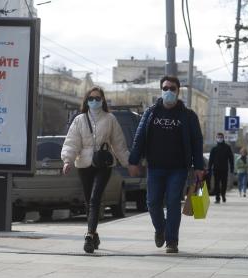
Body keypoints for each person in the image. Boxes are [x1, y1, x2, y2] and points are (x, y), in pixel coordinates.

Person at [128, 76, 204, 254]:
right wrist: (133, 161)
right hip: (155, 167)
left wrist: (199, 166)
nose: (168, 91)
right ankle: (160, 229)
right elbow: (139, 138)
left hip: (178, 169)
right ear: (161, 90)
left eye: (172, 89)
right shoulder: (151, 113)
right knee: (152, 203)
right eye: (165, 88)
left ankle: (171, 241)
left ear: (178, 91)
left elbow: (197, 142)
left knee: (172, 203)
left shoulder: (188, 115)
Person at [61, 86, 130, 254]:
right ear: (86, 101)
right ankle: (94, 233)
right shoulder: (79, 120)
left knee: (95, 198)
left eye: (97, 98)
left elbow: (119, 143)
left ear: (103, 100)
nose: (94, 101)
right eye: (91, 98)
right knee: (88, 201)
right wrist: (67, 160)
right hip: (84, 164)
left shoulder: (110, 119)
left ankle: (89, 235)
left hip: (103, 164)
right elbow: (72, 142)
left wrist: (129, 163)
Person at [208, 132, 234, 203]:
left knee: (224, 183)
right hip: (216, 169)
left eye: (221, 137)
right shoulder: (214, 149)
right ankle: (217, 198)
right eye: (218, 137)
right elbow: (211, 159)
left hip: (224, 169)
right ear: (216, 138)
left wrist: (232, 168)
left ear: (223, 138)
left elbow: (231, 158)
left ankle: (223, 194)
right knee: (216, 184)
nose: (219, 138)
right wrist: (209, 168)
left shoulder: (227, 147)